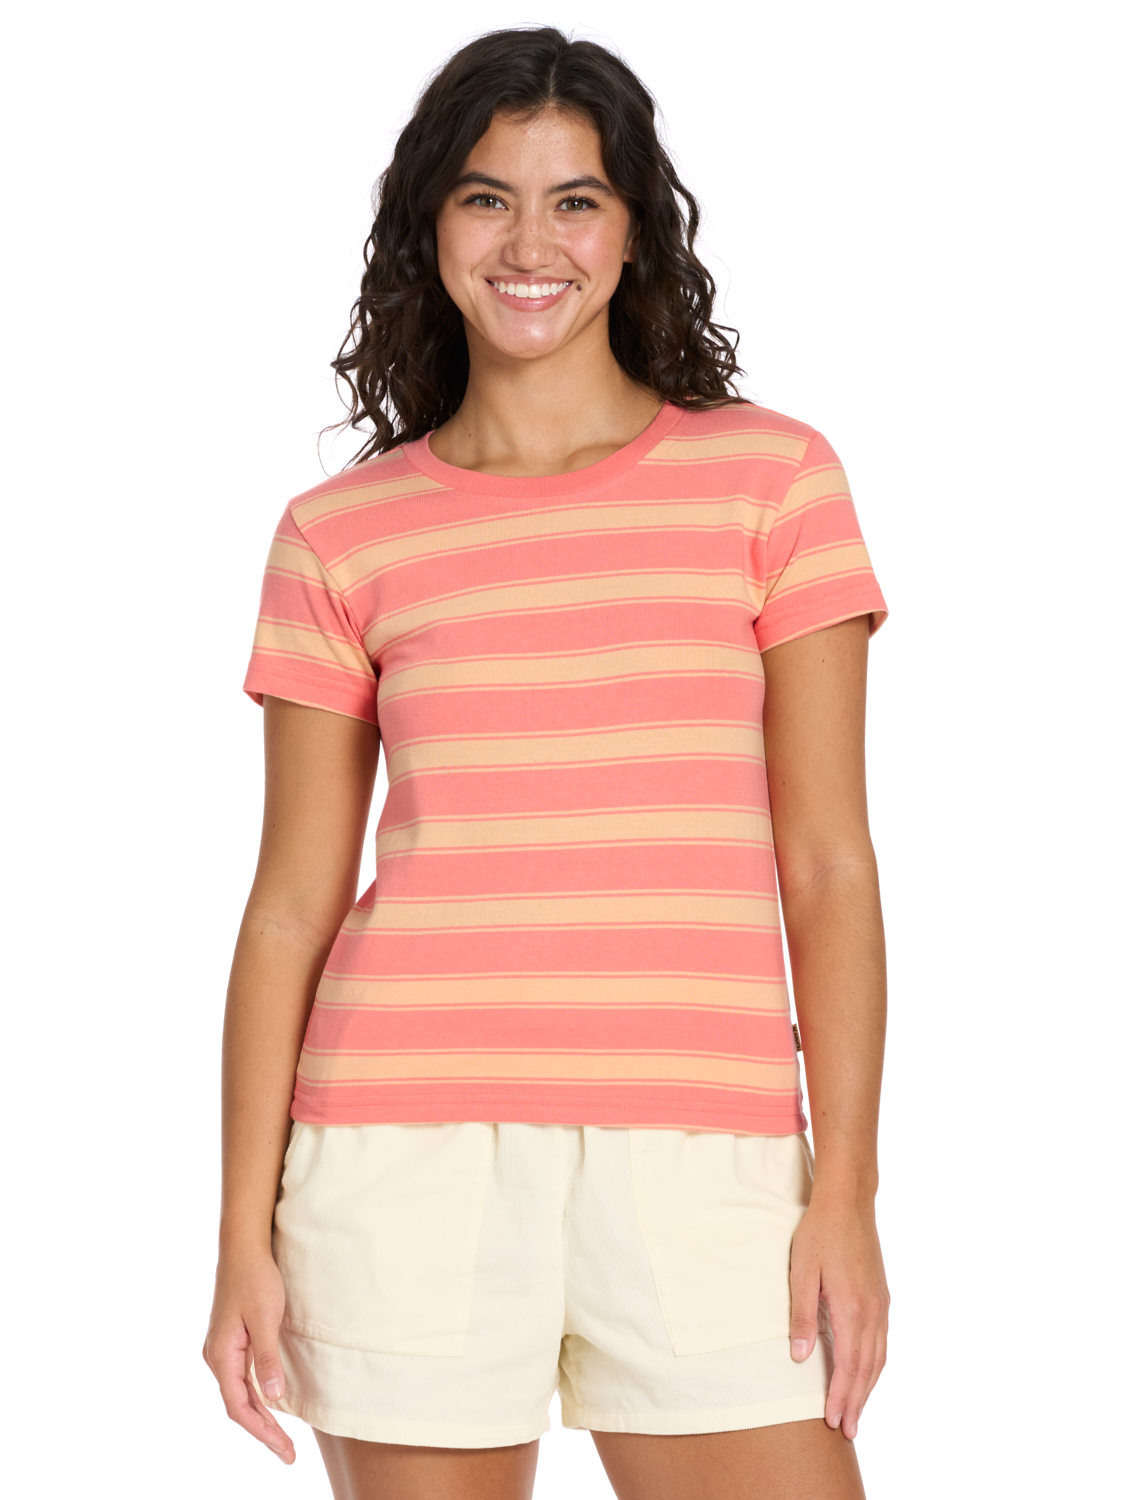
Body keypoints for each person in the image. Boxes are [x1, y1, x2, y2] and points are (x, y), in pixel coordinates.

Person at [202, 26, 891, 1500]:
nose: (531, 245)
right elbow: (289, 905)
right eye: (486, 198)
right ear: (430, 227)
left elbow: (829, 864)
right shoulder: (341, 535)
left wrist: (847, 1190)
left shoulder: (773, 483)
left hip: (705, 1149)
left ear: (636, 230)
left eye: (576, 200)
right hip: (402, 1149)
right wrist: (238, 1235)